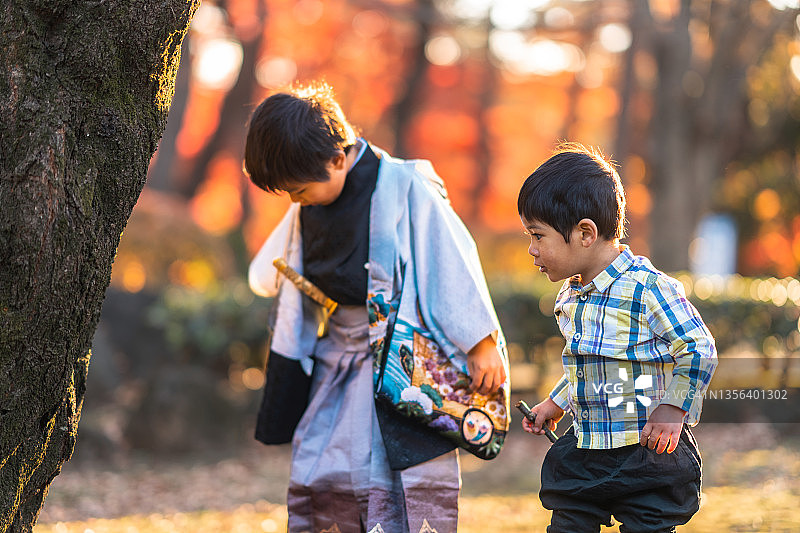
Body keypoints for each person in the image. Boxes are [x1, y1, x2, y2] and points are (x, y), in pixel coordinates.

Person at [244, 81, 508, 533]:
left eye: (299, 190)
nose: (294, 201)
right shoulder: (311, 196)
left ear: (337, 158)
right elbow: (271, 274)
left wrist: (480, 340)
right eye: (288, 193)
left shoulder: (405, 185)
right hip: (337, 358)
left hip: (400, 359)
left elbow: (449, 258)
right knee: (323, 465)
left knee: (394, 474)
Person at [517, 143, 717, 533]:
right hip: (588, 450)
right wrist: (555, 403)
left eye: (538, 236)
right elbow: (591, 363)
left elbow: (699, 348)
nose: (531, 249)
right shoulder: (571, 295)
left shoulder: (648, 288)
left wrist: (674, 408)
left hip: (646, 453)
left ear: (585, 233)